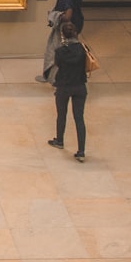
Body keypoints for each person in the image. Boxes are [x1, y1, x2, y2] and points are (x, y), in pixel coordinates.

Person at [46, 21, 88, 161]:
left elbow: (58, 65)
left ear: (63, 35)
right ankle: (81, 151)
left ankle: (60, 140)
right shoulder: (82, 49)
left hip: (64, 86)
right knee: (79, 118)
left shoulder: (60, 51)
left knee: (62, 114)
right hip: (80, 86)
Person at [39, 0, 84, 83]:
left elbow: (68, 14)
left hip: (66, 27)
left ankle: (55, 78)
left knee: (57, 51)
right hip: (75, 24)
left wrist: (54, 17)